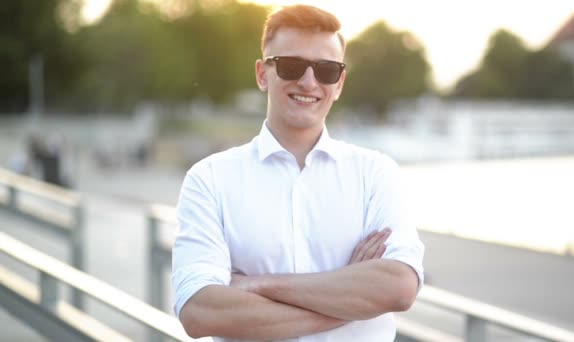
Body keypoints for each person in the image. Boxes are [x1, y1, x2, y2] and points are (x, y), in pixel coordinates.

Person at [172, 5, 424, 341]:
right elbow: (201, 312)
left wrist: (256, 284)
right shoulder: (209, 180)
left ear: (340, 83)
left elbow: (398, 288)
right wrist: (350, 298)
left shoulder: (376, 173)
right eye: (291, 65)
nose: (309, 81)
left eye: (327, 70)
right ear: (263, 74)